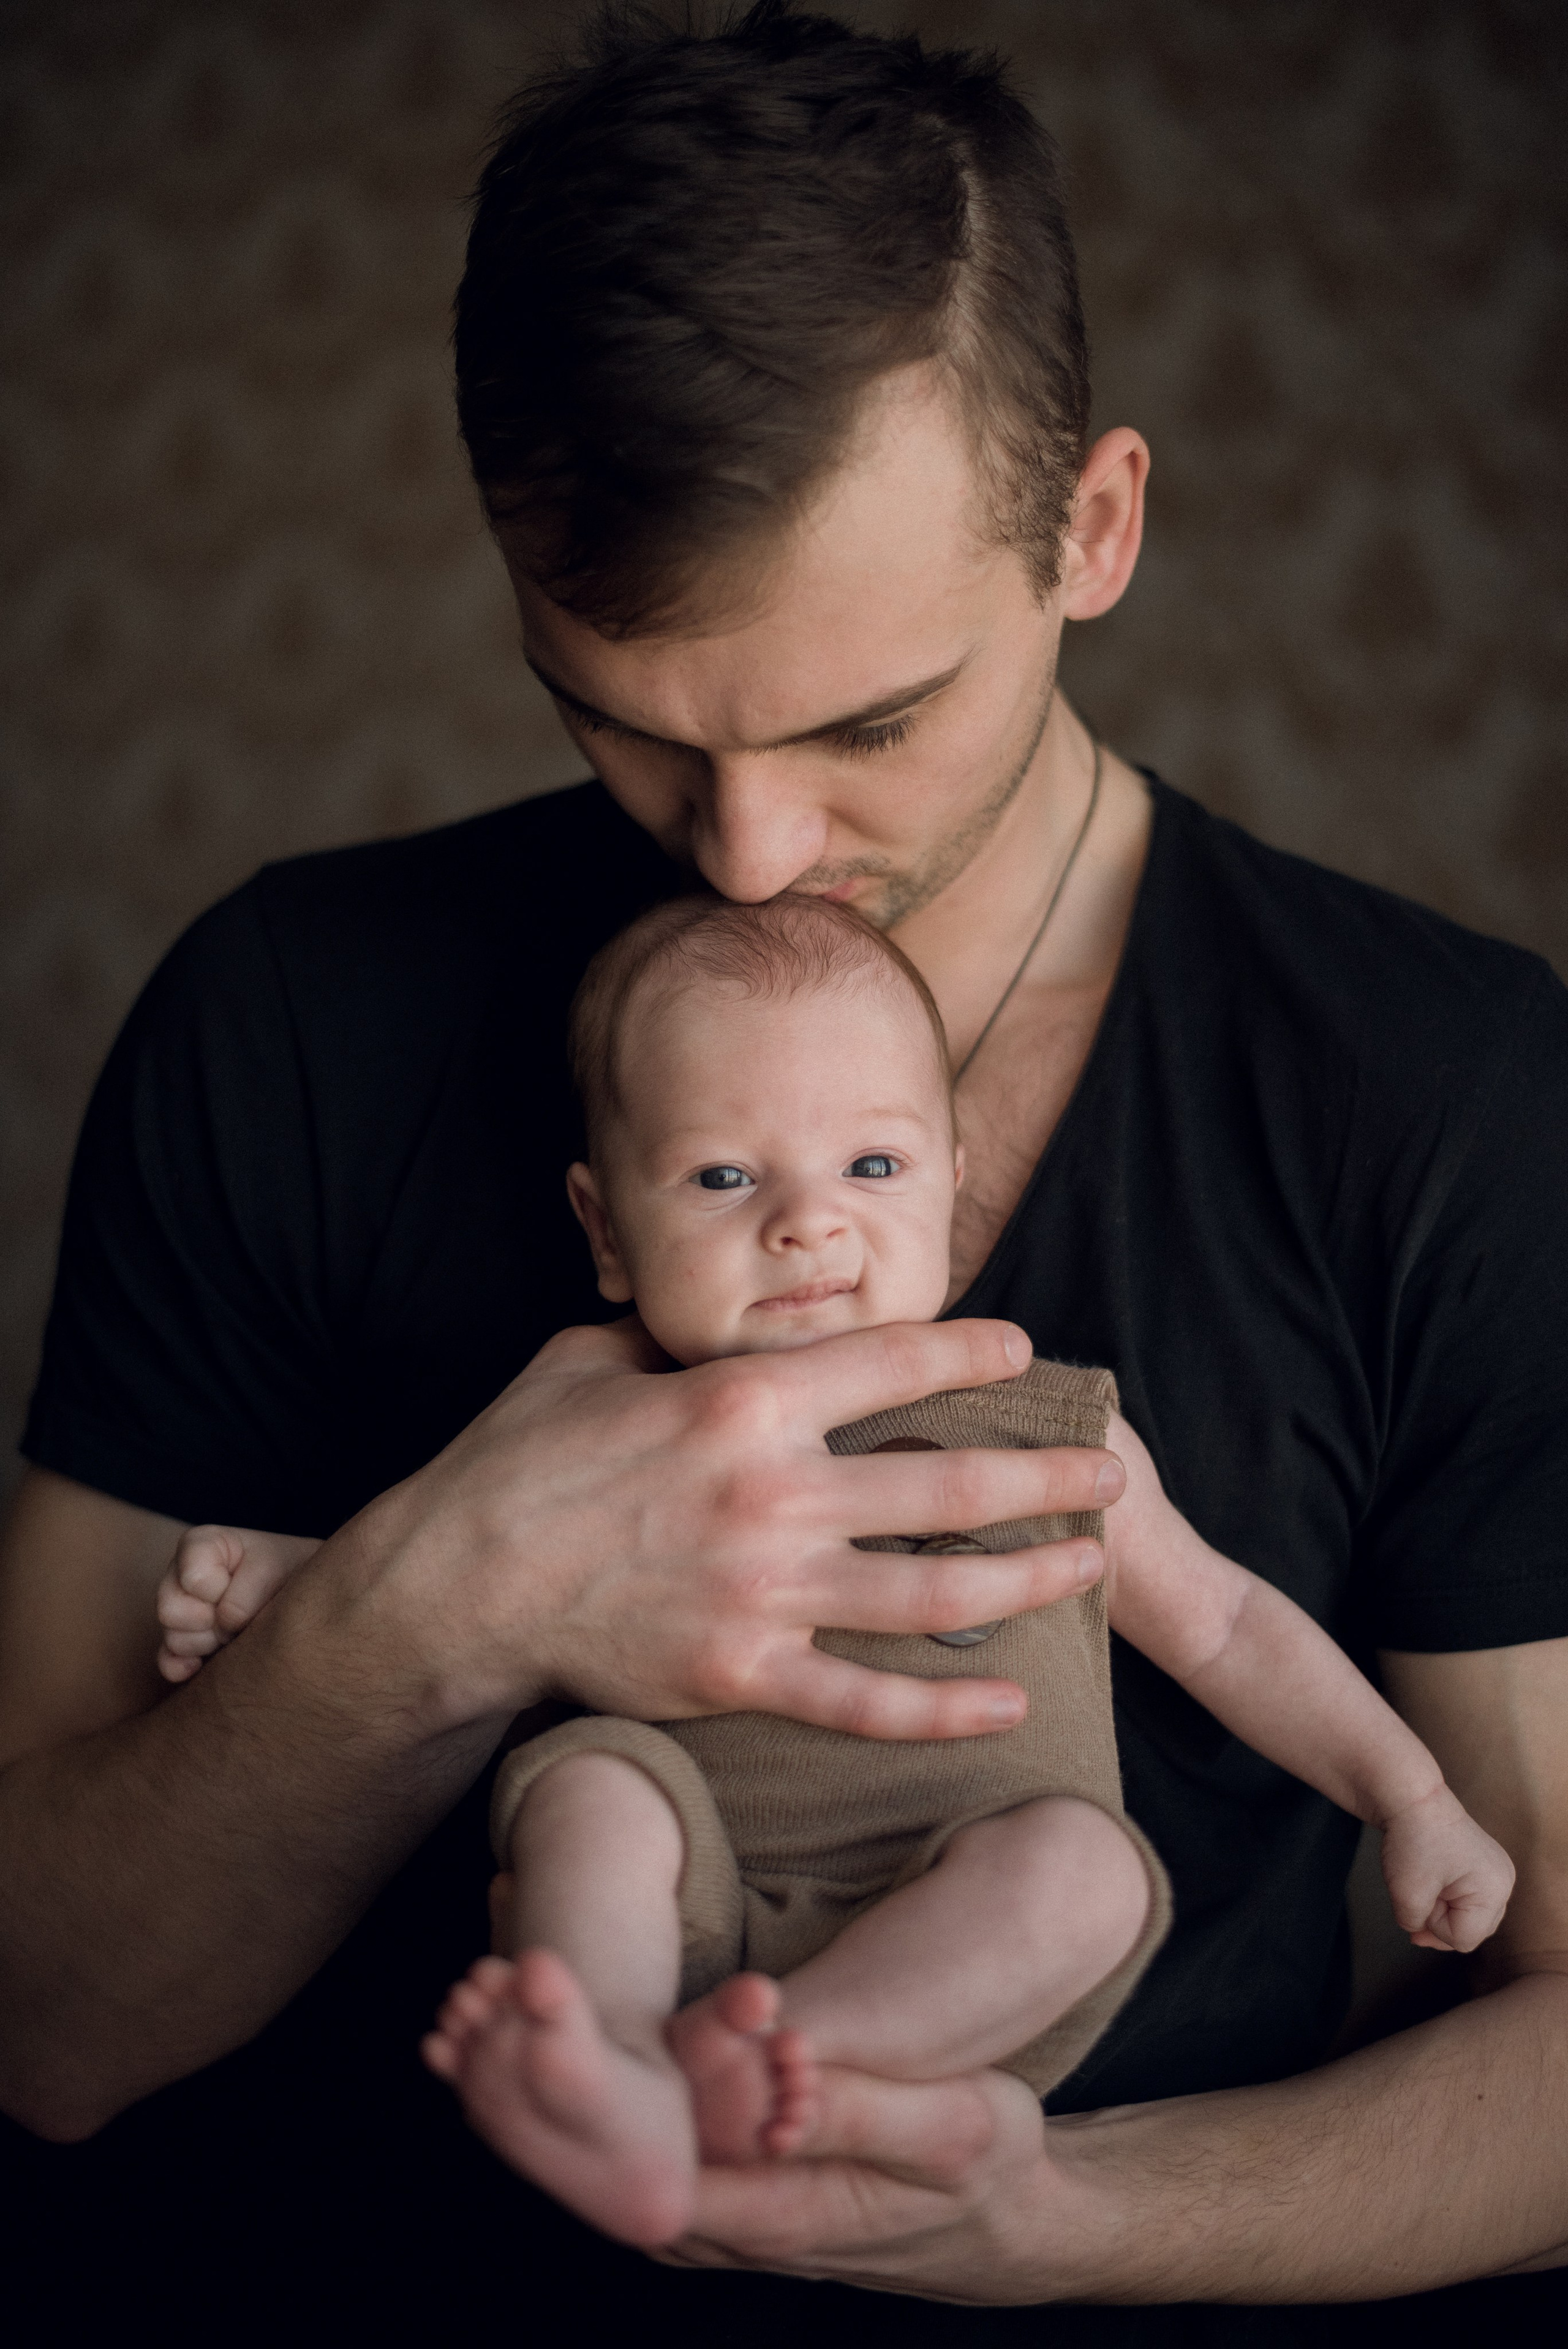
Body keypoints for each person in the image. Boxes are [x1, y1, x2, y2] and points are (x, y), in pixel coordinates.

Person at [1, 4, 1565, 2333]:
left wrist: (1053, 2222)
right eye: (615, 713)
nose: (751, 849)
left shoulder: (1445, 1095)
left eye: (870, 720)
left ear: (1097, 525)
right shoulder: (289, 1018)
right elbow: (41, 2024)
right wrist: (434, 1605)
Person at [153, 889, 1513, 2253]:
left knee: (1085, 1874)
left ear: (950, 1177)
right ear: (607, 1230)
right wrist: (295, 1579)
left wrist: (1407, 1791)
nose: (806, 1225)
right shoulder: (588, 1429)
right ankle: (608, 2061)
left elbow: (1219, 1620)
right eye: (724, 1177)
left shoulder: (1040, 1417)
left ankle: (763, 2065)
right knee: (595, 1797)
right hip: (692, 1861)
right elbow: (450, 1569)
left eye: (869, 1166)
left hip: (954, 1900)